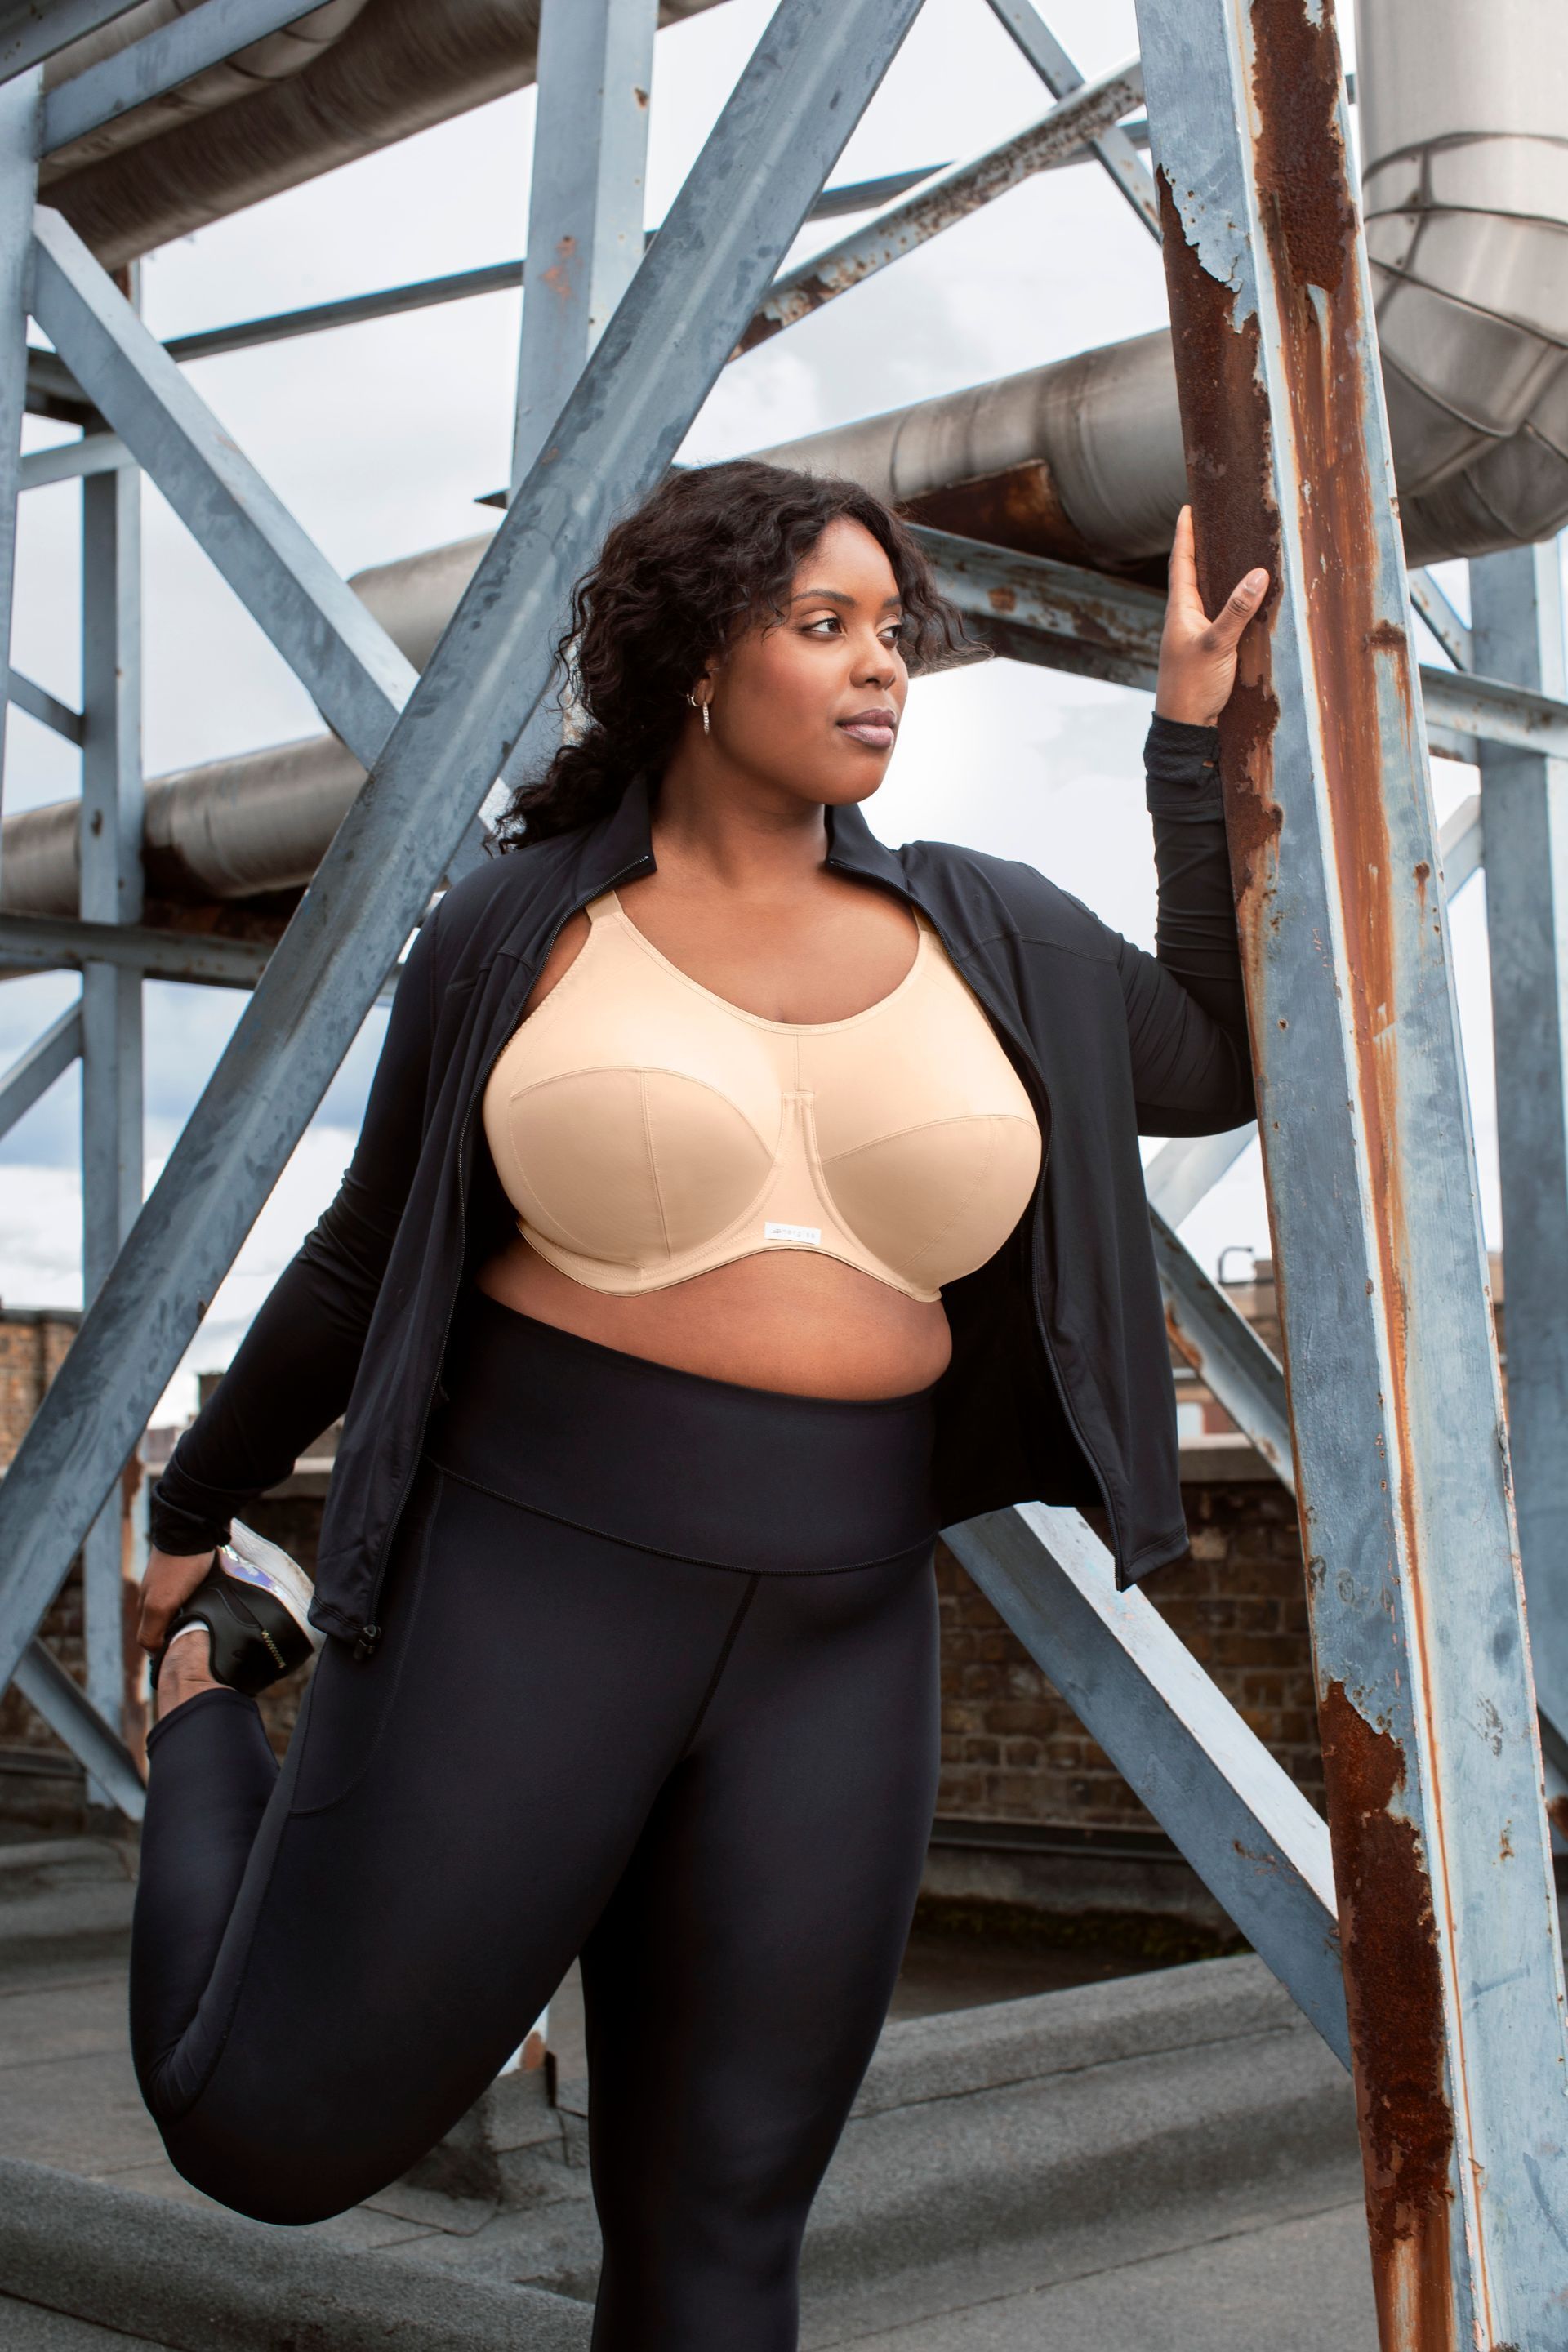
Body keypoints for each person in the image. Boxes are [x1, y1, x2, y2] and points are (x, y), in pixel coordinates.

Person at [131, 459, 1265, 2348]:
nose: (880, 668)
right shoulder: (519, 928)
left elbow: (1220, 1056)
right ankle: (199, 1723)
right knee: (265, 2131)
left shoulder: (994, 933)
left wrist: (1183, 745)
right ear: (689, 664)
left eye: (893, 633)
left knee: (720, 2232)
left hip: (841, 1620)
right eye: (824, 626)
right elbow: (358, 1257)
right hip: (532, 1582)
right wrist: (194, 1511)